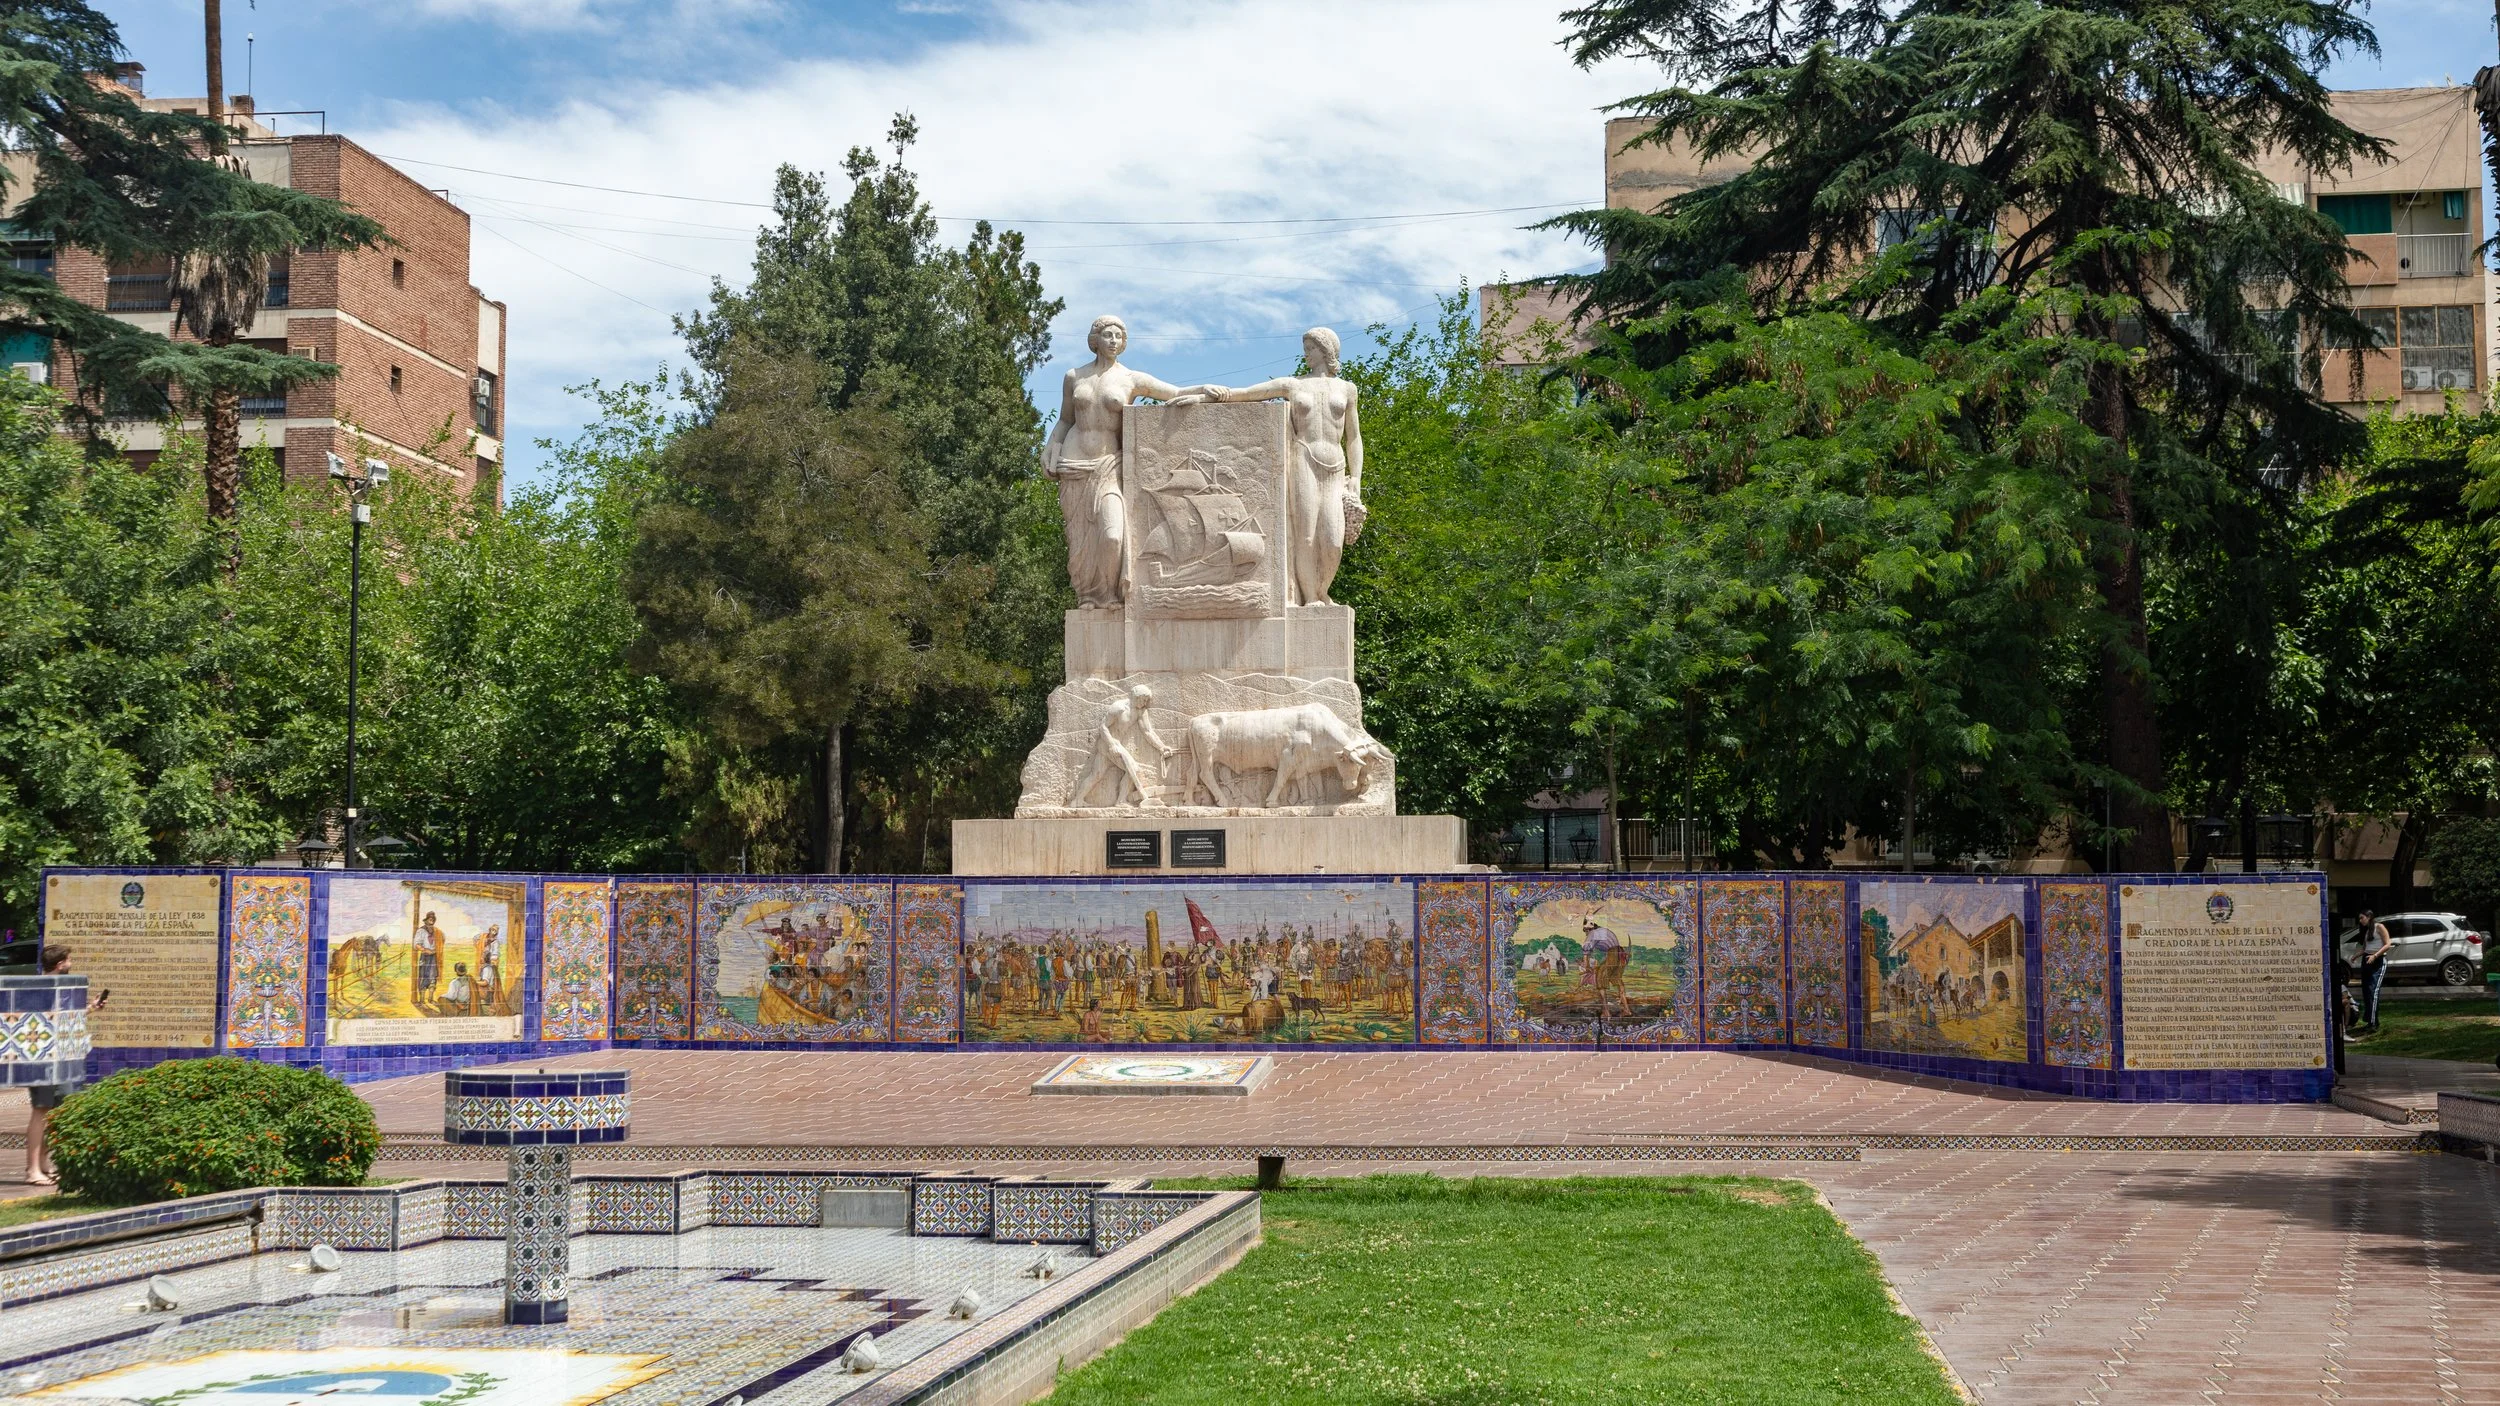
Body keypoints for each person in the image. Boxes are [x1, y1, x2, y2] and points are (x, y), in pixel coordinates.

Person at [1040, 314, 1217, 608]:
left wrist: (1205, 392)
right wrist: (1050, 447)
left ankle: (1110, 593)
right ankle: (1088, 595)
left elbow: (1173, 392)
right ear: (1095, 340)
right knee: (1081, 541)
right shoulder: (1074, 376)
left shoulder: (1131, 378)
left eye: (1119, 336)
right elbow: (1064, 420)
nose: (1113, 341)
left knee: (1112, 535)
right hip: (1074, 466)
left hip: (1109, 465)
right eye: (1108, 335)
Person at [1197, 327, 1366, 606]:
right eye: (1306, 347)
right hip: (1304, 459)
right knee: (1307, 534)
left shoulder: (1347, 389)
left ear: (1326, 351)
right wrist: (1220, 394)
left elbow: (1354, 437)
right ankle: (1311, 597)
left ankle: (1323, 590)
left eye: (1311, 348)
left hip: (1335, 465)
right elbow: (1251, 393)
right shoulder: (1294, 385)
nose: (1306, 353)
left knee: (1333, 539)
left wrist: (1356, 477)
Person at [24, 948, 102, 1187]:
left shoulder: (59, 988)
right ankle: (32, 1169)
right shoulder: (42, 988)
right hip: (42, 1058)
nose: (71, 963)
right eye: (68, 959)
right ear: (60, 964)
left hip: (60, 1057)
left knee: (59, 1109)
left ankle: (44, 1163)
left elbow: (63, 1019)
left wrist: (90, 1009)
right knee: (42, 1109)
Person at [2355, 909, 2392, 1034]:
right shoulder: (2367, 931)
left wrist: (2375, 956)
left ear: (2369, 916)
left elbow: (2388, 944)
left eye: (2362, 918)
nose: (2360, 921)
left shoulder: (2379, 927)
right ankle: (2369, 1020)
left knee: (2373, 992)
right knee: (2366, 992)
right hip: (2367, 961)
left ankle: (2374, 1023)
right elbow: (2366, 948)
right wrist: (2357, 955)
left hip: (2377, 961)